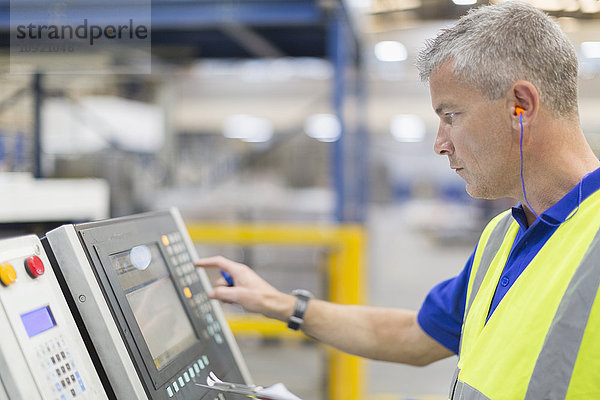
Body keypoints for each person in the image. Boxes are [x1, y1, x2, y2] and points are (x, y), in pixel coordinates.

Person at [196, 2, 600, 398]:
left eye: (451, 116)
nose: (440, 144)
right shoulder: (503, 236)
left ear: (521, 106)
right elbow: (414, 336)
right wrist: (276, 303)